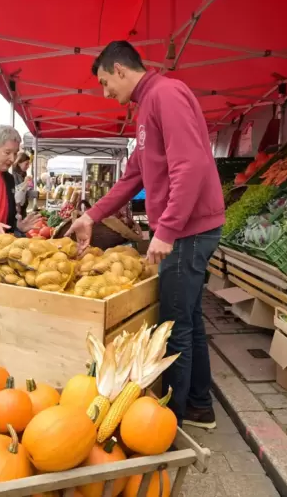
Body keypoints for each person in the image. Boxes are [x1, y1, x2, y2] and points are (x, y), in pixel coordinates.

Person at [68, 41, 225, 429]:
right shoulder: (146, 106)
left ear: (120, 69)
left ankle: (167, 424)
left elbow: (189, 166)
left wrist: (167, 230)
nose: (106, 93)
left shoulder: (165, 95)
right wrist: (92, 215)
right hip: (187, 228)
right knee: (188, 320)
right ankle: (199, 407)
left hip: (189, 230)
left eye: (106, 82)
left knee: (172, 328)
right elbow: (132, 177)